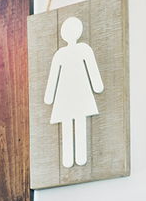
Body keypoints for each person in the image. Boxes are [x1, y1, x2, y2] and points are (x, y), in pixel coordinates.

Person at [43, 14, 104, 168]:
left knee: (72, 124)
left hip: (69, 93)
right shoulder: (79, 50)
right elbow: (54, 76)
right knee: (75, 123)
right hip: (75, 92)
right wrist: (97, 86)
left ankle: (74, 158)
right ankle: (72, 159)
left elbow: (53, 78)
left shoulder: (63, 53)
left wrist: (50, 97)